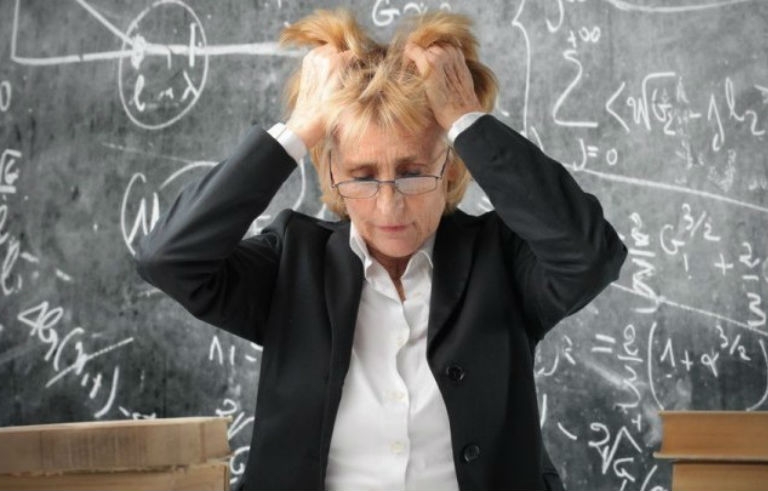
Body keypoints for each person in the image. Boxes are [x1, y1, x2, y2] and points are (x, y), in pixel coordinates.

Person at [134, 8, 627, 491]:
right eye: (363, 176)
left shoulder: (501, 259)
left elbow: (591, 256)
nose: (389, 205)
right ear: (332, 173)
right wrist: (301, 127)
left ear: (451, 168)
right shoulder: (293, 260)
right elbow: (169, 259)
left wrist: (465, 120)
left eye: (412, 173)